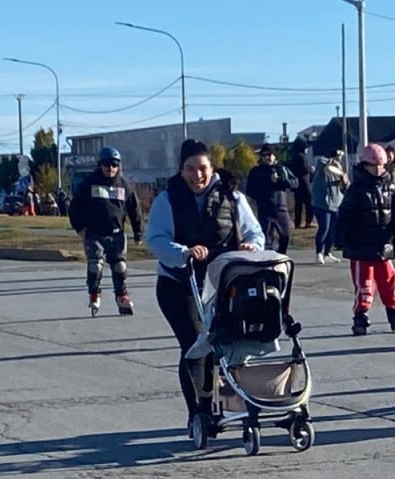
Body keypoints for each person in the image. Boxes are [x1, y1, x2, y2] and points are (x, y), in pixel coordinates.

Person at [146, 139, 265, 434]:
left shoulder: (232, 197)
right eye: (190, 169)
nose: (196, 175)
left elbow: (255, 232)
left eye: (202, 168)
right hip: (179, 284)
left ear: (212, 168)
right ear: (181, 170)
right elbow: (156, 239)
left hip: (221, 282)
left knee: (225, 345)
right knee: (196, 345)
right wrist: (183, 252)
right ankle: (198, 412)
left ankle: (225, 403)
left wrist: (252, 246)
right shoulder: (168, 199)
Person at [337, 143, 395, 335]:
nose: (378, 170)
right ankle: (361, 313)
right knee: (365, 283)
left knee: (388, 280)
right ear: (364, 165)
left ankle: (393, 310)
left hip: (384, 243)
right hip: (362, 246)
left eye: (381, 165)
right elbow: (345, 215)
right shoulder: (356, 190)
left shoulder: (390, 187)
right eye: (373, 166)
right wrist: (340, 237)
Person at [68, 146, 142, 315]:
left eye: (114, 165)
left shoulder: (124, 185)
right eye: (107, 165)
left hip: (116, 233)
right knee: (95, 266)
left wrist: (138, 231)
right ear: (100, 165)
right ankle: (94, 293)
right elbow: (74, 207)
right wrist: (80, 228)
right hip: (94, 233)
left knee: (120, 267)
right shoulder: (89, 183)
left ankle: (122, 296)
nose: (111, 169)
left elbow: (134, 209)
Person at [245, 143, 297, 254]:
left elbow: (295, 183)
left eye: (270, 155)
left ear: (274, 156)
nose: (268, 157)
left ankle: (281, 255)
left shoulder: (281, 169)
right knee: (266, 239)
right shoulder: (256, 172)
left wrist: (280, 181)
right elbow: (249, 190)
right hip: (264, 210)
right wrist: (261, 195)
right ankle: (268, 259)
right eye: (265, 155)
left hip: (281, 208)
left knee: (286, 235)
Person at [313, 150, 347, 264]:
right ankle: (318, 253)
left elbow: (346, 188)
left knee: (332, 229)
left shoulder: (340, 172)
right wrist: (332, 162)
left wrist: (345, 182)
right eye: (337, 156)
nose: (339, 159)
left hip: (336, 203)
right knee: (324, 228)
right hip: (322, 203)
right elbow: (322, 163)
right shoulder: (323, 167)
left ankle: (328, 252)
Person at [287, 139, 315, 230]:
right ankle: (309, 220)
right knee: (309, 201)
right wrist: (311, 169)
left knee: (298, 204)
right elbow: (305, 169)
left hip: (296, 183)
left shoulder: (293, 156)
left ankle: (297, 222)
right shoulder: (302, 157)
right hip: (304, 182)